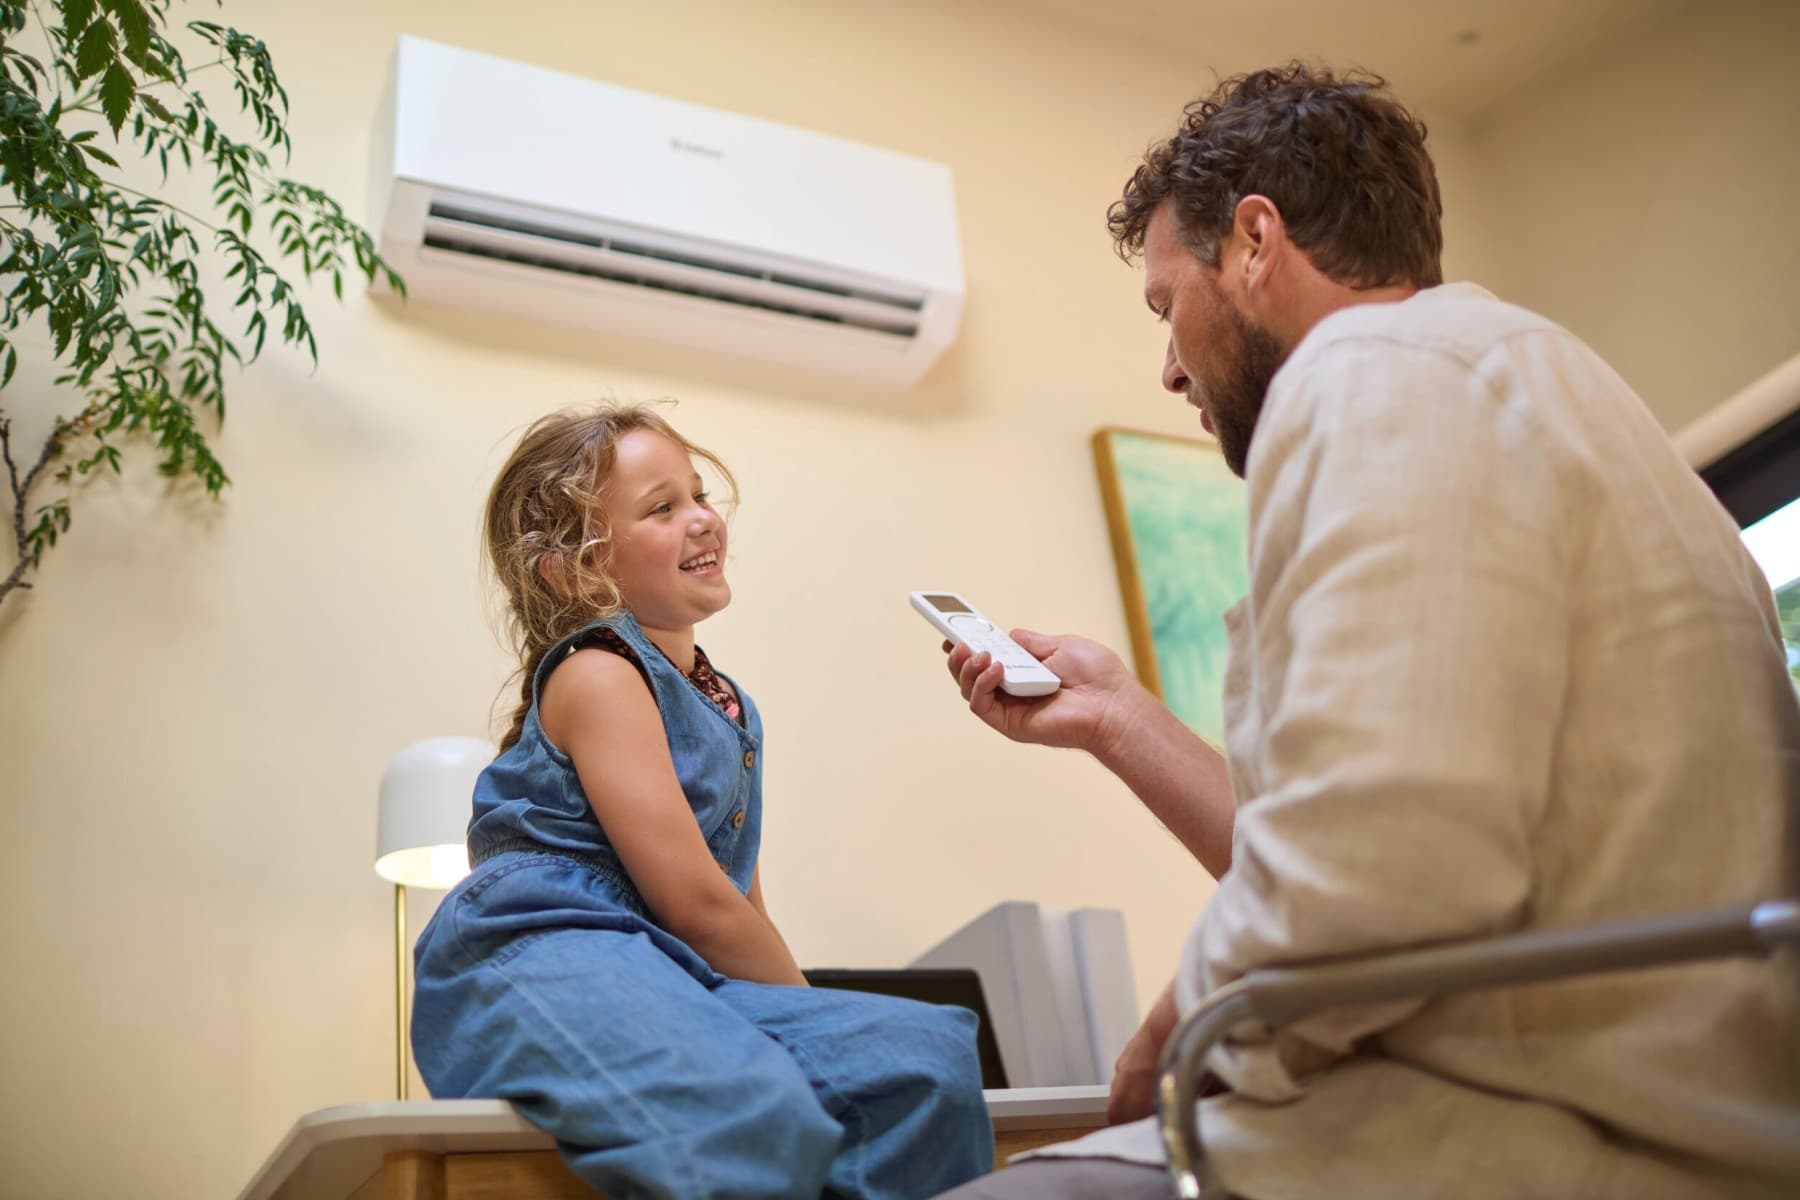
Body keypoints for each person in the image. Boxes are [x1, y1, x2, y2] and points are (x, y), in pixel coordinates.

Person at [933, 63, 1800, 1199]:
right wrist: (1118, 719)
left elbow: (1385, 874)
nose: (1167, 362)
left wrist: (1183, 1023)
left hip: (1535, 1132)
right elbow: (1390, 840)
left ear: (1254, 241)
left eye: (1165, 306)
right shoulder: (1538, 390)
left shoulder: (1368, 377)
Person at [411, 403, 992, 1200]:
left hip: (667, 965)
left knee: (922, 1058)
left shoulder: (732, 707)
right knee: (747, 1108)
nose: (701, 520)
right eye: (661, 508)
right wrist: (802, 1025)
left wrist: (819, 1028)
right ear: (577, 571)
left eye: (698, 495)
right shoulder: (599, 673)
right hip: (541, 948)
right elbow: (696, 904)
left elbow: (735, 902)